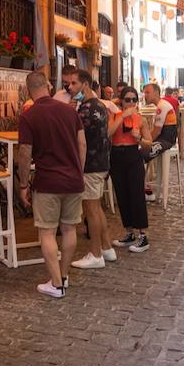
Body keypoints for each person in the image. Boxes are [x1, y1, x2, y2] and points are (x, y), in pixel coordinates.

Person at [17, 71, 86, 297]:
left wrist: (23, 184)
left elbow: (25, 153)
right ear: (48, 86)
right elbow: (82, 144)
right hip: (73, 180)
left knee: (47, 232)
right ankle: (63, 276)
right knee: (69, 229)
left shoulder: (29, 116)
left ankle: (56, 284)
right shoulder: (69, 111)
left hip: (47, 181)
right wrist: (79, 170)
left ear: (28, 90)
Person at [66, 68, 116, 270]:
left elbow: (79, 140)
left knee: (91, 210)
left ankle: (95, 254)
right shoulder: (99, 105)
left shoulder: (86, 109)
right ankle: (106, 247)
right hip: (101, 162)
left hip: (90, 165)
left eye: (74, 84)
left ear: (85, 85)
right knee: (97, 208)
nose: (70, 87)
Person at [109, 85, 150, 253]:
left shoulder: (141, 119)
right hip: (116, 156)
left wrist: (138, 138)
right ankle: (129, 232)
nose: (131, 102)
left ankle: (143, 235)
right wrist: (122, 116)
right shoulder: (114, 116)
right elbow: (108, 132)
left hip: (133, 155)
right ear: (121, 101)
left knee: (136, 195)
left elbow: (149, 143)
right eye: (128, 99)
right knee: (122, 195)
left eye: (134, 99)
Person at [142, 82, 178, 163]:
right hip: (165, 139)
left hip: (166, 141)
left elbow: (156, 132)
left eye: (147, 92)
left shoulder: (161, 106)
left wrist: (145, 143)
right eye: (144, 93)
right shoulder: (161, 105)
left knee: (140, 155)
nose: (145, 95)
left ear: (155, 93)